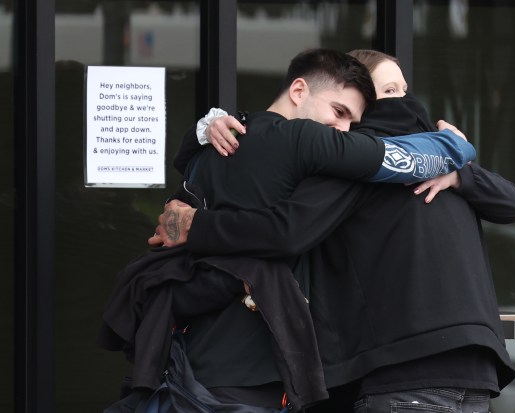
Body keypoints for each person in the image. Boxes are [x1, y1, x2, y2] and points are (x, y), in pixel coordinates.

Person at [99, 48, 476, 412]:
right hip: (248, 368)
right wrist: (455, 144)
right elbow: (415, 159)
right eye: (339, 111)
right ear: (299, 91)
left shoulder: (212, 145)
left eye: (352, 124)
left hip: (187, 356)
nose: (343, 129)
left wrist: (204, 128)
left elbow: (176, 203)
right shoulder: (306, 140)